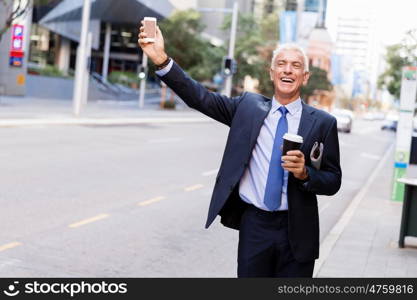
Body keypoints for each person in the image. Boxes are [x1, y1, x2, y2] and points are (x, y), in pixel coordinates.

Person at [138, 23, 341, 278]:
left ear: (305, 77)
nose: (287, 69)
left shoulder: (323, 123)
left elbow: (333, 180)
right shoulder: (247, 107)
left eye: (296, 65)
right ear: (271, 72)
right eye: (281, 64)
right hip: (255, 226)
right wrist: (161, 60)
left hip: (297, 230)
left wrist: (305, 174)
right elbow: (200, 98)